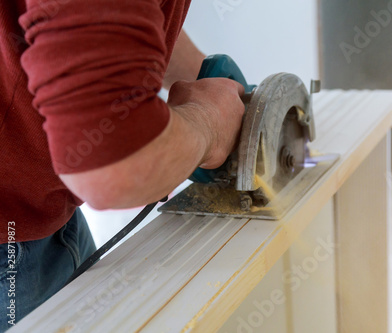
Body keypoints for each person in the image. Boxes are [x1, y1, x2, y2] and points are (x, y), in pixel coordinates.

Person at [0, 0, 245, 330]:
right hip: (13, 248)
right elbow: (112, 164)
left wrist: (219, 90)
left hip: (39, 215)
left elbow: (112, 22)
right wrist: (208, 125)